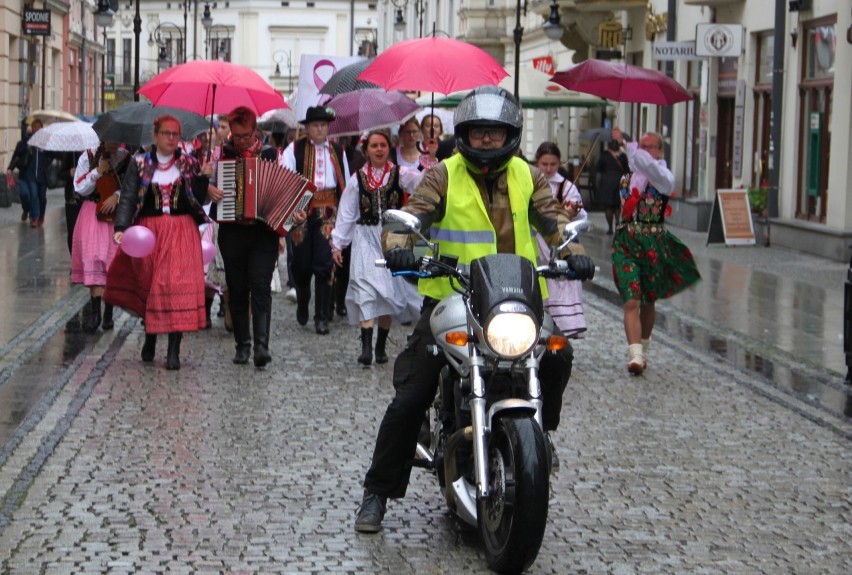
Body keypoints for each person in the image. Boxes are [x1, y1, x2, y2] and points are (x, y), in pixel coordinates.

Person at [353, 86, 595, 533]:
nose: (486, 140)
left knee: (558, 354)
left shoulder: (528, 175)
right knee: (411, 396)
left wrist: (572, 248)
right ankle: (377, 493)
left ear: (510, 133)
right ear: (465, 133)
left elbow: (553, 217)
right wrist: (401, 245)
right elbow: (412, 215)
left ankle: (539, 439)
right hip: (453, 298)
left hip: (514, 298)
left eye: (495, 132)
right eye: (479, 132)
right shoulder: (443, 174)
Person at [104, 115, 212, 371]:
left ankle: (173, 349)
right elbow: (129, 196)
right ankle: (151, 337)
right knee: (153, 285)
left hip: (181, 230)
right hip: (149, 231)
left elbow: (195, 199)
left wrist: (203, 179)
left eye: (175, 134)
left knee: (174, 285)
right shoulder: (140, 163)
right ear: (155, 135)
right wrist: (121, 227)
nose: (171, 138)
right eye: (166, 133)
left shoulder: (189, 162)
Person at [207, 106, 306, 368]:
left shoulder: (272, 155)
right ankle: (242, 345)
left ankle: (262, 346)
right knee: (237, 289)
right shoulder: (221, 156)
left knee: (260, 287)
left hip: (264, 233)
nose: (239, 141)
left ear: (255, 132)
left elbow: (289, 191)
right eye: (236, 136)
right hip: (232, 231)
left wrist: (294, 216)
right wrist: (209, 187)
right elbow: (204, 190)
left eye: (244, 136)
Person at [610, 127, 701, 374]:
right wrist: (625, 144)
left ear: (660, 151)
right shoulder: (629, 176)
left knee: (648, 300)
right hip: (626, 241)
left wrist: (629, 144)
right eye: (644, 146)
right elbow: (636, 163)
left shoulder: (663, 177)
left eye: (651, 147)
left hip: (652, 241)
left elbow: (645, 164)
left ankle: (645, 348)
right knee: (631, 298)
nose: (646, 151)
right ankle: (635, 354)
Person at [331, 130, 423, 366]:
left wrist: (429, 159)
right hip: (365, 238)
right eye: (374, 146)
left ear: (389, 148)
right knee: (366, 289)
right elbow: (347, 213)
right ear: (366, 150)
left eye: (383, 145)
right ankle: (365, 348)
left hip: (392, 237)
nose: (379, 149)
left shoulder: (400, 174)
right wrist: (338, 244)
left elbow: (424, 183)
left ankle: (380, 345)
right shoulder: (357, 179)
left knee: (387, 293)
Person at [280, 106, 349, 335]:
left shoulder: (338, 151)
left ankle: (321, 317)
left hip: (328, 210)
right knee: (300, 264)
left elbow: (346, 186)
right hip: (302, 210)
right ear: (307, 128)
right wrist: (292, 210)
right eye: (315, 125)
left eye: (323, 125)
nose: (320, 129)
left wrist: (346, 216)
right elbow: (285, 179)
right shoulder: (294, 149)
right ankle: (302, 297)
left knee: (324, 263)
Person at [72, 141, 132, 333]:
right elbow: (80, 188)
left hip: (116, 217)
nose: (112, 145)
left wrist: (117, 195)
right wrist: (98, 171)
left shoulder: (125, 157)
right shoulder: (87, 156)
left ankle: (108, 312)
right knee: (93, 259)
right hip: (92, 214)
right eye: (108, 140)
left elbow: (132, 186)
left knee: (112, 262)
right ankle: (96, 313)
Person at [533, 142, 588, 338]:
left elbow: (582, 217)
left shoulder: (566, 187)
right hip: (536, 242)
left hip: (559, 243)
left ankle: (562, 329)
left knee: (561, 281)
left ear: (559, 163)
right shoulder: (530, 181)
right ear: (537, 162)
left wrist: (572, 212)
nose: (548, 169)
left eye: (552, 165)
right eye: (544, 164)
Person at [6, 120, 50, 227]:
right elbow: (18, 152)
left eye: (39, 127)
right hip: (29, 175)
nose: (37, 129)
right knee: (30, 195)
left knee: (42, 198)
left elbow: (52, 155)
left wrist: (48, 164)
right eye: (35, 127)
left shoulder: (45, 142)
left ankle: (40, 214)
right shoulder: (28, 141)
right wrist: (27, 140)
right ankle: (34, 216)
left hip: (42, 175)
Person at [595, 137, 630, 234]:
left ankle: (610, 227)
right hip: (620, 182)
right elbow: (627, 169)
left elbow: (598, 168)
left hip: (607, 182)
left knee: (608, 206)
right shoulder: (623, 156)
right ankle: (618, 223)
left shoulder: (604, 155)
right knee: (618, 205)